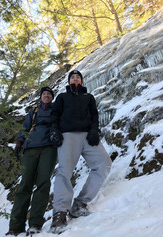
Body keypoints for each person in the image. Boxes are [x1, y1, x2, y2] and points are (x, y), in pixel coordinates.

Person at [49, 70, 112, 233]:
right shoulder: (62, 97)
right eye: (72, 77)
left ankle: (79, 204)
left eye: (78, 77)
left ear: (81, 81)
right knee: (64, 172)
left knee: (103, 163)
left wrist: (94, 131)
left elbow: (94, 116)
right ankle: (60, 213)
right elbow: (54, 115)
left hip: (87, 135)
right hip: (68, 135)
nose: (75, 78)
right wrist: (54, 130)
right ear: (69, 81)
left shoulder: (88, 97)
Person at [6, 87, 57, 236]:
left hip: (49, 148)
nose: (46, 95)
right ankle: (15, 226)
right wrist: (19, 142)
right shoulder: (34, 111)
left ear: (52, 97)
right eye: (44, 94)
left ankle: (35, 223)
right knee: (25, 184)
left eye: (48, 94)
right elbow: (25, 128)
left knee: (43, 184)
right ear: (41, 97)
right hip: (31, 148)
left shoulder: (56, 110)